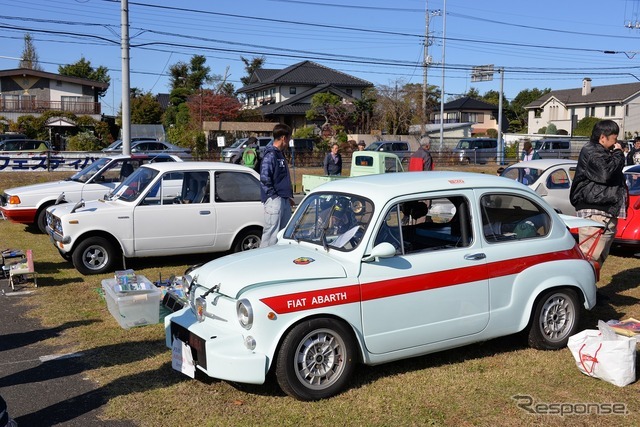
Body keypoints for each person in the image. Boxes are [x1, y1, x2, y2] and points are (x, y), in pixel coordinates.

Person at [570, 119, 627, 266]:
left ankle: (591, 287)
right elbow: (605, 174)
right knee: (590, 256)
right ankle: (584, 287)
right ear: (602, 137)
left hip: (604, 212)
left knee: (597, 256)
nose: (616, 143)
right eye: (614, 139)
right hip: (596, 213)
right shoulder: (592, 151)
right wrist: (619, 153)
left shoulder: (601, 151)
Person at [260, 123, 295, 247]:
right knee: (271, 233)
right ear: (284, 138)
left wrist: (287, 197)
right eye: (289, 138)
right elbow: (264, 178)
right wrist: (273, 197)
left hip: (283, 198)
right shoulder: (270, 155)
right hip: (275, 199)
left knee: (283, 233)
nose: (289, 142)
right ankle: (264, 260)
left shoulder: (280, 154)